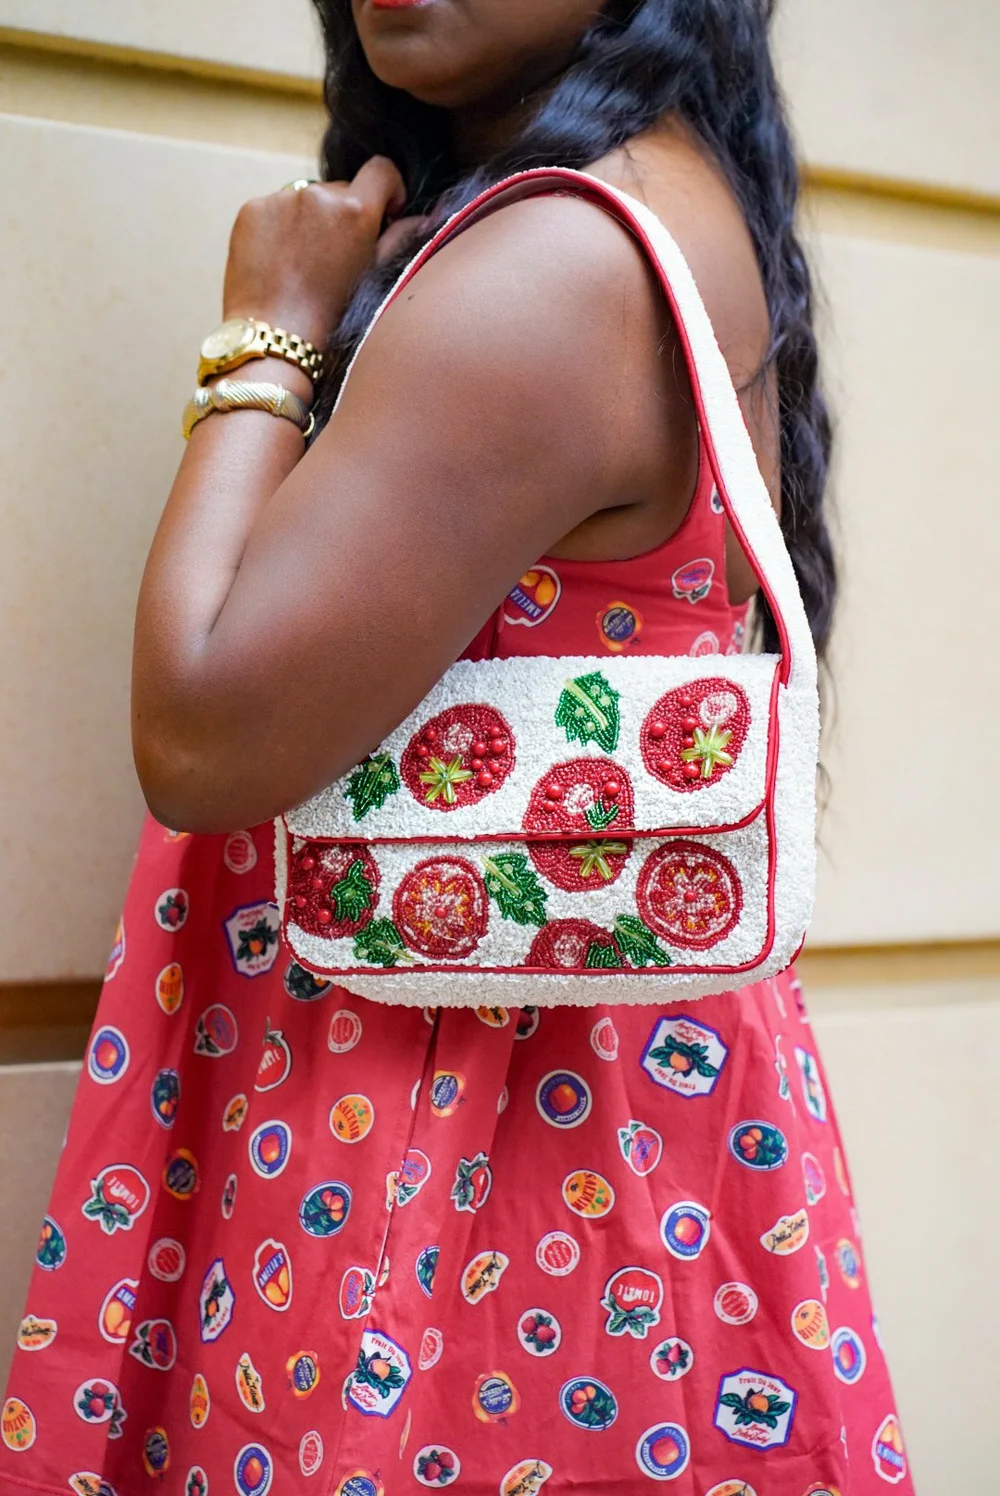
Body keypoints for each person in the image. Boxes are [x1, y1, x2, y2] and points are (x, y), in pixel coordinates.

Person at [1, 2, 913, 1492]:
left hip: (446, 1145)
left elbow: (202, 727)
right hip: (593, 1125)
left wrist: (268, 332)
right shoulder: (654, 205)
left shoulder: (555, 264)